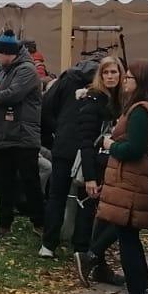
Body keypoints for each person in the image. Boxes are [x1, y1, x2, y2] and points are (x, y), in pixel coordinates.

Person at [81, 60, 148, 294]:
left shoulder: (141, 111)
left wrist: (111, 145)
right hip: (143, 183)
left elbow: (134, 149)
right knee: (130, 237)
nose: (124, 80)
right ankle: (145, 290)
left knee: (128, 240)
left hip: (135, 184)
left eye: (129, 77)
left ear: (141, 83)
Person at [40, 53, 114, 258]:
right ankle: (81, 247)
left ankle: (48, 244)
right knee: (86, 197)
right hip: (90, 146)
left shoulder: (67, 77)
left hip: (64, 142)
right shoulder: (106, 85)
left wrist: (59, 128)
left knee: (57, 195)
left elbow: (47, 105)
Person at [0, 33, 44, 241]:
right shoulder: (5, 70)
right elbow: (0, 97)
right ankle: (4, 223)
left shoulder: (27, 70)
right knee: (3, 180)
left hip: (23, 136)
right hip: (4, 134)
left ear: (8, 53)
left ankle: (40, 222)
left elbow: (13, 94)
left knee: (30, 181)